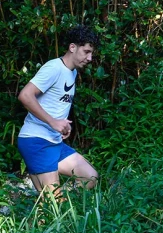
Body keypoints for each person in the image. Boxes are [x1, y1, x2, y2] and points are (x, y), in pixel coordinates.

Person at [16, 26, 100, 195]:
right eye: (86, 52)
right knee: (53, 206)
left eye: (92, 53)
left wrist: (62, 125)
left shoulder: (72, 72)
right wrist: (53, 122)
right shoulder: (54, 68)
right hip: (37, 141)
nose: (90, 58)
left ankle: (52, 198)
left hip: (54, 142)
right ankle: (51, 200)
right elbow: (25, 95)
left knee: (90, 177)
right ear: (72, 47)